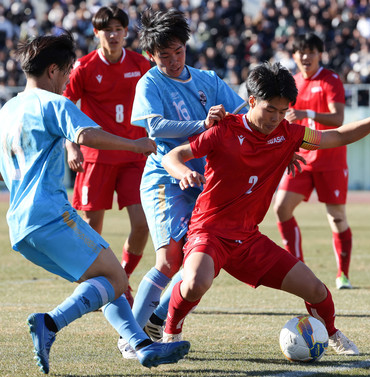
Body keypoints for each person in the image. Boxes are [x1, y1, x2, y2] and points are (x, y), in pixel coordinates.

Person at [160, 62, 370, 358]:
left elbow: (337, 136)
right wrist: (183, 173)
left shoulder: (289, 134)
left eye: (283, 111)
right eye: (271, 110)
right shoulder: (225, 129)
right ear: (252, 101)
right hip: (210, 232)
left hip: (249, 240)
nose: (276, 118)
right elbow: (174, 155)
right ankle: (171, 331)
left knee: (318, 291)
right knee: (194, 282)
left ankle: (331, 333)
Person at [0, 32, 189, 374]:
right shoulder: (52, 103)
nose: (70, 77)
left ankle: (142, 346)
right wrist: (135, 145)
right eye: (68, 70)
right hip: (50, 215)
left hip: (20, 226)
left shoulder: (8, 109)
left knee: (100, 283)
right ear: (54, 70)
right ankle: (50, 323)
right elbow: (85, 135)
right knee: (116, 278)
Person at [117, 7, 247, 358]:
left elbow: (242, 116)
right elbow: (155, 128)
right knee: (168, 261)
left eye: (179, 52)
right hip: (164, 179)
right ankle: (130, 335)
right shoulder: (150, 83)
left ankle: (157, 320)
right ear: (150, 55)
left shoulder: (209, 80)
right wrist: (203, 125)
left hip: (203, 182)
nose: (174, 61)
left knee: (200, 261)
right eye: (164, 55)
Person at [64, 6, 152, 307]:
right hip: (96, 159)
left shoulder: (141, 64)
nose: (113, 35)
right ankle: (98, 287)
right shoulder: (84, 67)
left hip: (132, 157)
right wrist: (71, 145)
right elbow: (65, 107)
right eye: (107, 30)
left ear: (126, 32)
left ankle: (121, 280)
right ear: (96, 32)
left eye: (118, 29)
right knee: (90, 230)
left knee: (142, 224)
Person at [273, 33, 353, 289]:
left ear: (320, 53)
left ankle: (343, 274)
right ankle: (298, 267)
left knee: (337, 218)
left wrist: (306, 112)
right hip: (301, 159)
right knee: (281, 208)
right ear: (294, 56)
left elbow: (337, 118)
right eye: (300, 52)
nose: (305, 56)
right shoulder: (292, 83)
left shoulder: (330, 80)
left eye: (310, 51)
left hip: (330, 160)